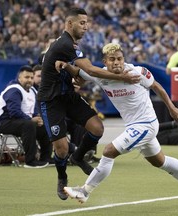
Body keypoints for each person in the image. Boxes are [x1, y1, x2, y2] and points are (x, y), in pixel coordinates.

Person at [63, 43, 178, 207]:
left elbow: (156, 86)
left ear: (124, 59)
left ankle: (85, 191)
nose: (117, 62)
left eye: (119, 59)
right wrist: (64, 65)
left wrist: (172, 107)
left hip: (145, 124)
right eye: (112, 59)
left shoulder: (136, 72)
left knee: (109, 151)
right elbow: (78, 71)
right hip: (134, 126)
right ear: (105, 61)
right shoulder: (100, 74)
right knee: (160, 162)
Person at [37, 8, 140, 201]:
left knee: (97, 128)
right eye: (82, 23)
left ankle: (78, 157)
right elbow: (91, 70)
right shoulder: (66, 44)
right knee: (61, 149)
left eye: (87, 23)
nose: (86, 27)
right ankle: (62, 177)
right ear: (69, 24)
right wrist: (122, 76)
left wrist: (70, 70)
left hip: (68, 96)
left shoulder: (69, 46)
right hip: (51, 101)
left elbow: (79, 74)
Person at [0, 65, 52, 168]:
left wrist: (38, 118)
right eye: (26, 77)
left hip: (21, 122)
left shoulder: (33, 91)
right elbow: (14, 112)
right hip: (3, 122)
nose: (29, 80)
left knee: (45, 126)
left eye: (31, 78)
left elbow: (36, 109)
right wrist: (31, 120)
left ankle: (46, 158)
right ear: (19, 78)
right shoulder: (14, 90)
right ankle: (30, 161)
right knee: (29, 125)